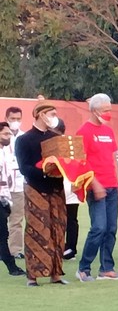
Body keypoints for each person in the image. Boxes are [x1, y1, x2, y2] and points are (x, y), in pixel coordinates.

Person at [76, 94, 118, 282]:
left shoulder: (108, 131)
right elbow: (82, 162)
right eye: (106, 110)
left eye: (109, 110)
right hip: (95, 187)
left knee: (111, 228)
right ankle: (84, 267)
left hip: (112, 186)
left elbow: (114, 159)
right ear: (95, 110)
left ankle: (107, 268)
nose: (108, 113)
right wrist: (95, 184)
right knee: (98, 227)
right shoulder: (84, 131)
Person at [15, 104, 68, 286]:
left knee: (58, 230)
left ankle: (56, 274)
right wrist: (45, 172)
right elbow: (25, 168)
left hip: (57, 190)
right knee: (36, 231)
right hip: (36, 189)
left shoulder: (57, 138)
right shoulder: (24, 140)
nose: (54, 117)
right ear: (40, 115)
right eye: (51, 114)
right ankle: (33, 276)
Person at [0, 122, 26, 277]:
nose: (8, 137)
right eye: (5, 134)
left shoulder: (5, 153)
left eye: (9, 134)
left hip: (4, 198)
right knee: (3, 235)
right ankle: (12, 267)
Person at [52, 119, 81, 260]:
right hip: (72, 184)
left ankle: (62, 247)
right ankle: (70, 248)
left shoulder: (52, 144)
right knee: (71, 219)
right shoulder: (72, 143)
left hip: (63, 185)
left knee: (59, 219)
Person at [4, 106, 26, 259]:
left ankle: (15, 250)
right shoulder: (2, 135)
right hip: (2, 186)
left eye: (18, 119)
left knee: (16, 220)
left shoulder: (24, 138)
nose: (15, 122)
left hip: (19, 185)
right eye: (12, 119)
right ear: (7, 119)